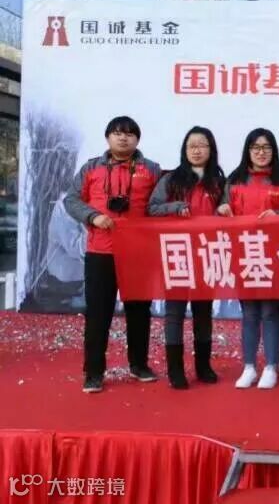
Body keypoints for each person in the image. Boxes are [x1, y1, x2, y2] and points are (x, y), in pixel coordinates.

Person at [64, 116, 162, 393]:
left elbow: (160, 204)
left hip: (139, 252)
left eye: (130, 133)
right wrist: (92, 216)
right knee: (98, 313)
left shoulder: (151, 169)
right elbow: (71, 199)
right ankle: (94, 372)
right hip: (100, 251)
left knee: (139, 311)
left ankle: (139, 365)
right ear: (108, 137)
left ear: (137, 139)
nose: (123, 138)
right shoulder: (91, 167)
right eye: (117, 133)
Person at [219, 128, 279, 390]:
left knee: (269, 311)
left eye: (266, 147)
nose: (261, 152)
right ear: (248, 151)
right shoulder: (234, 180)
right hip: (244, 253)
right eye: (256, 147)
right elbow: (221, 212)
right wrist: (222, 209)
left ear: (274, 151)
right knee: (250, 312)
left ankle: (271, 366)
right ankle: (249, 366)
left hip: (274, 254)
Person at [148, 126, 223, 389]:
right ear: (184, 150)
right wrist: (175, 206)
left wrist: (224, 209)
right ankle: (175, 369)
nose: (197, 150)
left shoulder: (218, 181)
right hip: (176, 252)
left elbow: (228, 209)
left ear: (211, 149)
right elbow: (152, 208)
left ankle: (203, 366)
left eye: (202, 145)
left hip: (206, 252)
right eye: (192, 145)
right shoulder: (172, 179)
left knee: (203, 311)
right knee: (175, 312)